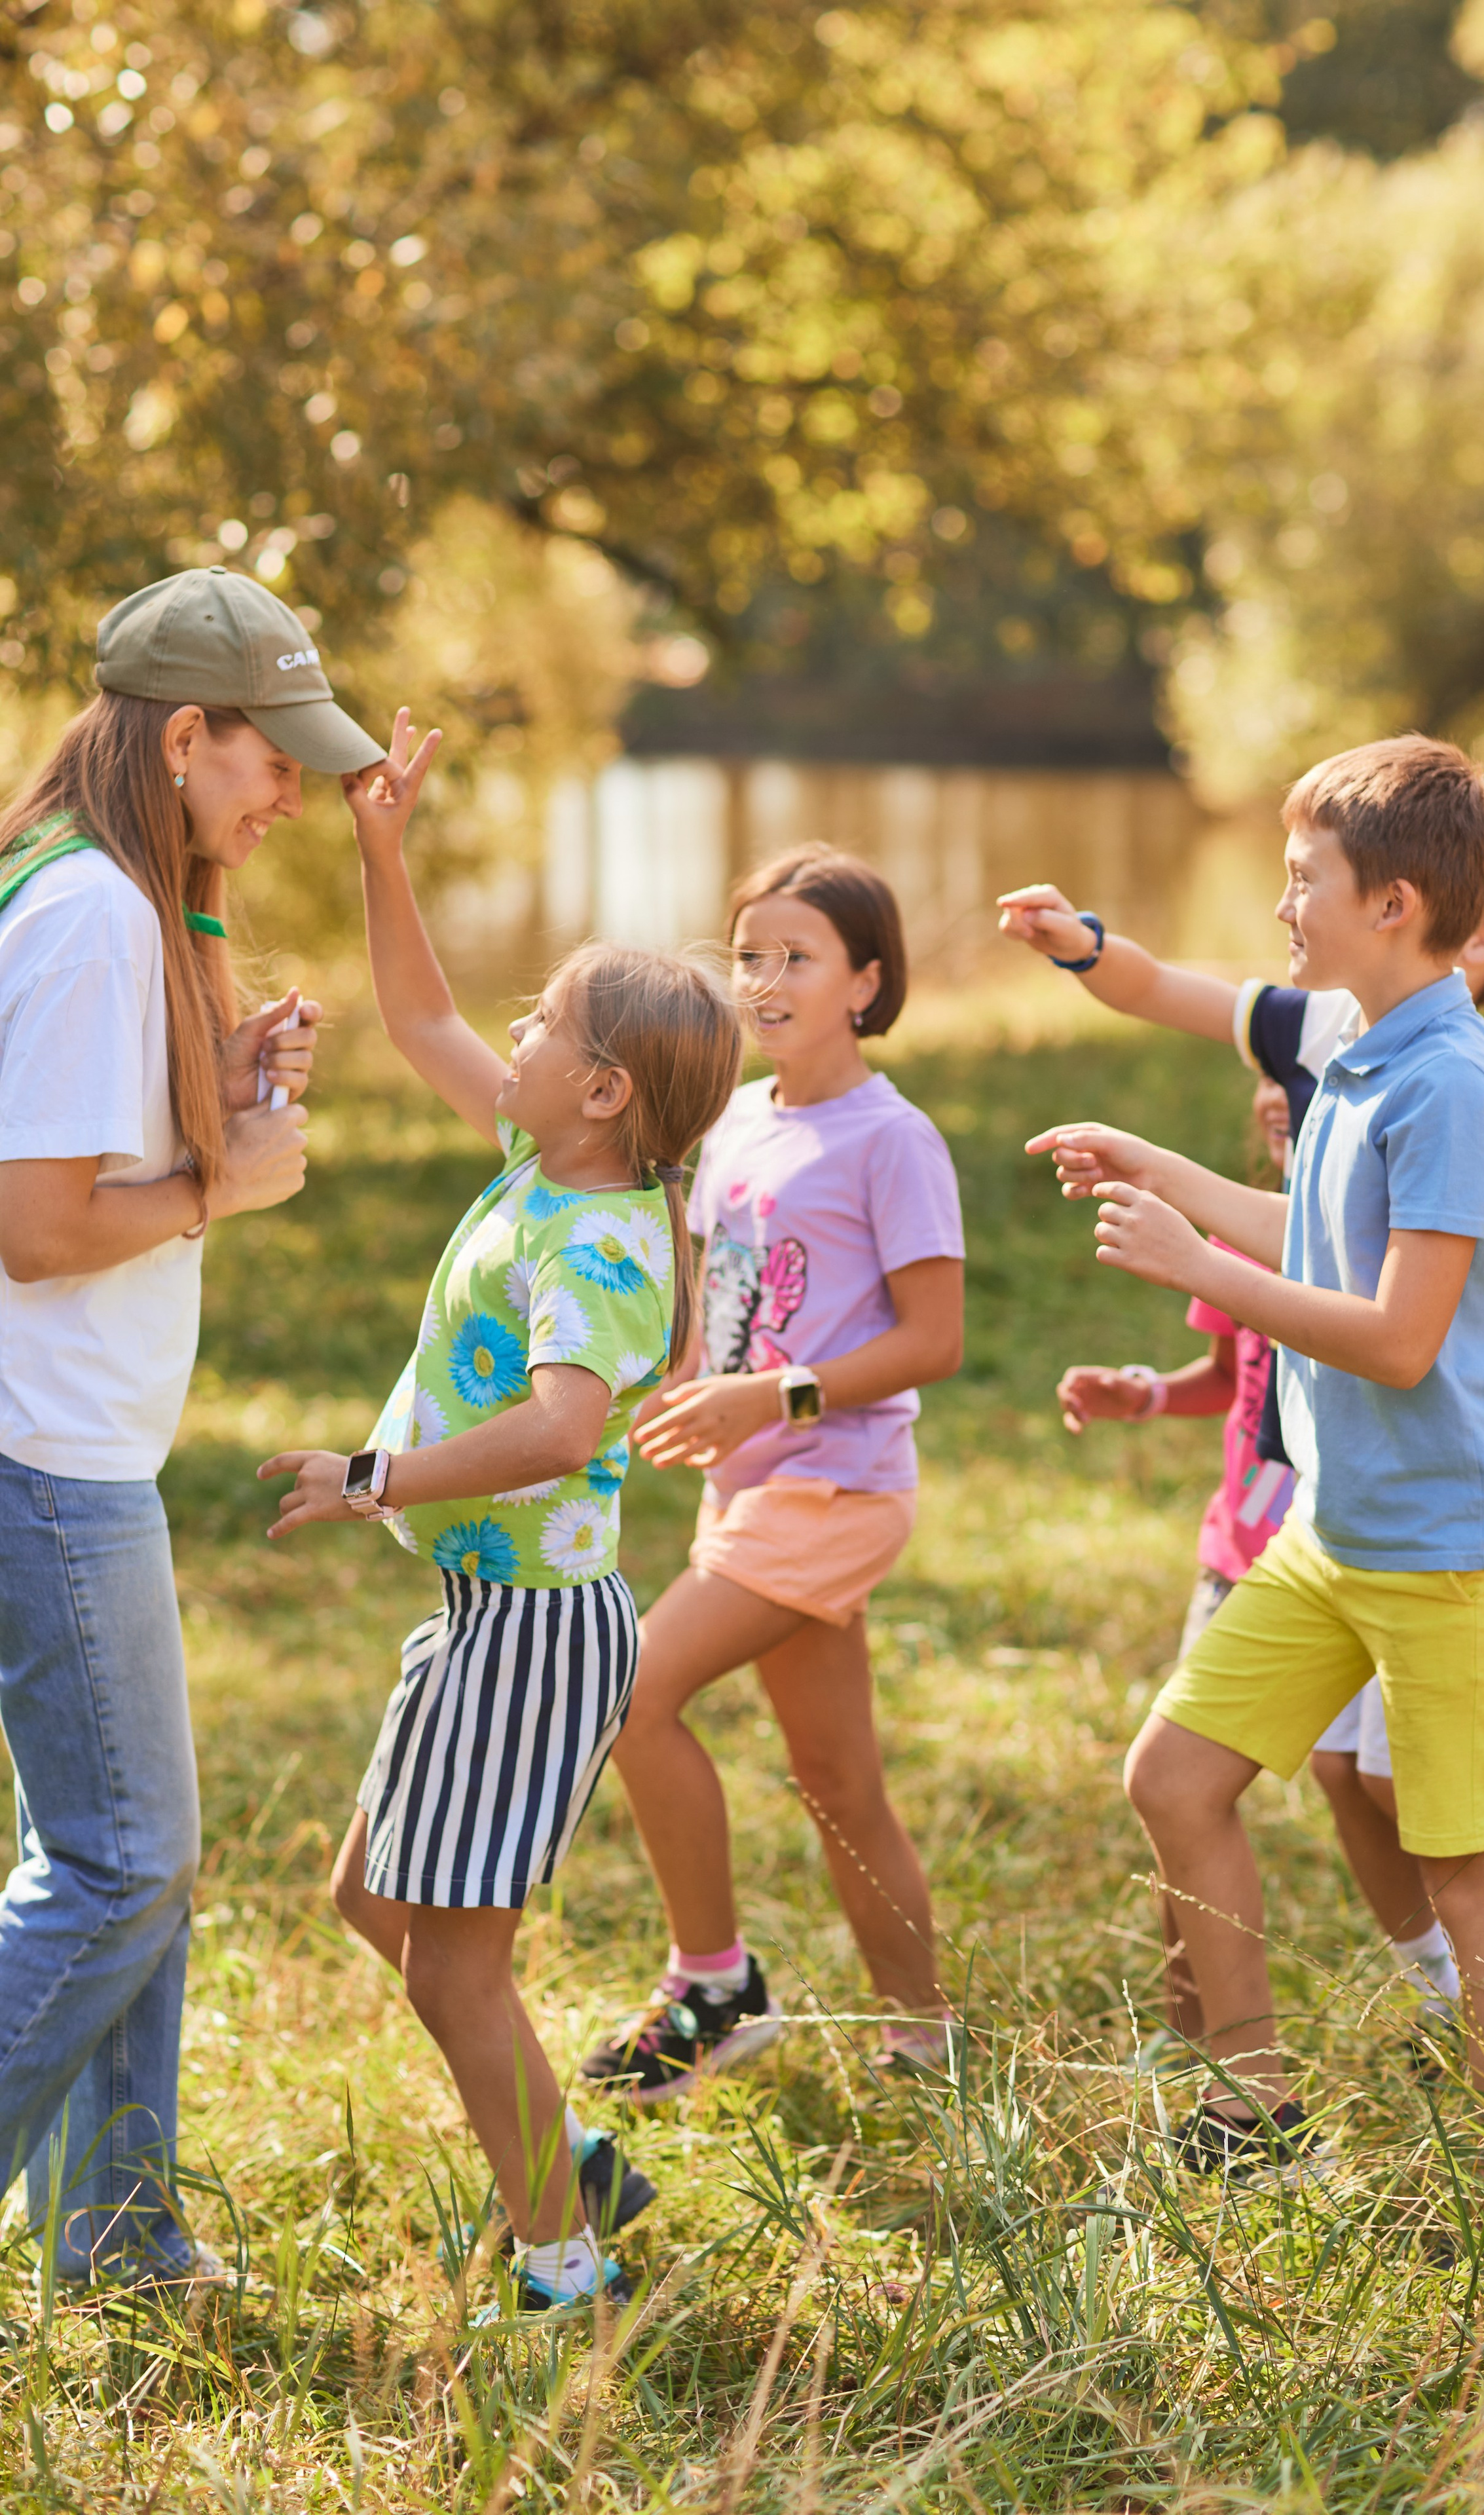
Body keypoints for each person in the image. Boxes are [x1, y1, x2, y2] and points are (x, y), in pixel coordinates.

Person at [1001, 827, 1484, 2077]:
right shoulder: (1358, 1054)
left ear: (1394, 904)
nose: (1281, 900)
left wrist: (1197, 1262)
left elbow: (1398, 1340)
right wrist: (1166, 1173)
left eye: (1302, 878)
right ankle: (1253, 2109)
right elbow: (1319, 1232)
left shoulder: (1453, 1081)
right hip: (1333, 1532)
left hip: (1447, 1548)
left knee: (1471, 1875)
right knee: (1175, 1779)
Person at [262, 736, 743, 2313]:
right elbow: (420, 1018)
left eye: (543, 1025)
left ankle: (564, 2262)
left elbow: (560, 1432)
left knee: (457, 1960)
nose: (514, 1036)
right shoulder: (546, 1159)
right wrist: (380, 849)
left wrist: (373, 1473)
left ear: (604, 1089)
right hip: (482, 1617)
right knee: (372, 1901)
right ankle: (573, 2163)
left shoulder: (602, 1244)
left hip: (537, 1632)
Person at [0, 565, 379, 2286]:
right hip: (46, 1457)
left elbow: (81, 1157)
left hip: (72, 1448)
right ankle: (109, 2231)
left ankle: (120, 2237)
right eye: (267, 757)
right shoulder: (88, 918)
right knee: (123, 1870)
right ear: (178, 740)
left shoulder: (91, 892)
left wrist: (210, 1094)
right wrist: (230, 1173)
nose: (292, 786)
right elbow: (42, 1223)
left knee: (127, 1859)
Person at [580, 848, 965, 2104]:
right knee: (840, 1781)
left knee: (630, 1693)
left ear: (866, 980)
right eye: (749, 955)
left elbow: (934, 1340)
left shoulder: (893, 1140)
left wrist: (773, 1398)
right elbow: (717, 1313)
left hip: (837, 1488)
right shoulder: (738, 1121)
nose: (765, 979)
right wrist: (672, 1389)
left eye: (796, 956)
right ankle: (926, 2039)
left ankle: (713, 1985)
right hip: (748, 1490)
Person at [1054, 1077, 1295, 2055]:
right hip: (1236, 1556)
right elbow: (1229, 1376)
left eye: (1302, 1073)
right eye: (1267, 1076)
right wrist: (1144, 1394)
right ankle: (1191, 2033)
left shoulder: (1378, 1244)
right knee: (1180, 1792)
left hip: (1339, 1559)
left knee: (1390, 1799)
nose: (1276, 1093)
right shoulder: (1234, 1233)